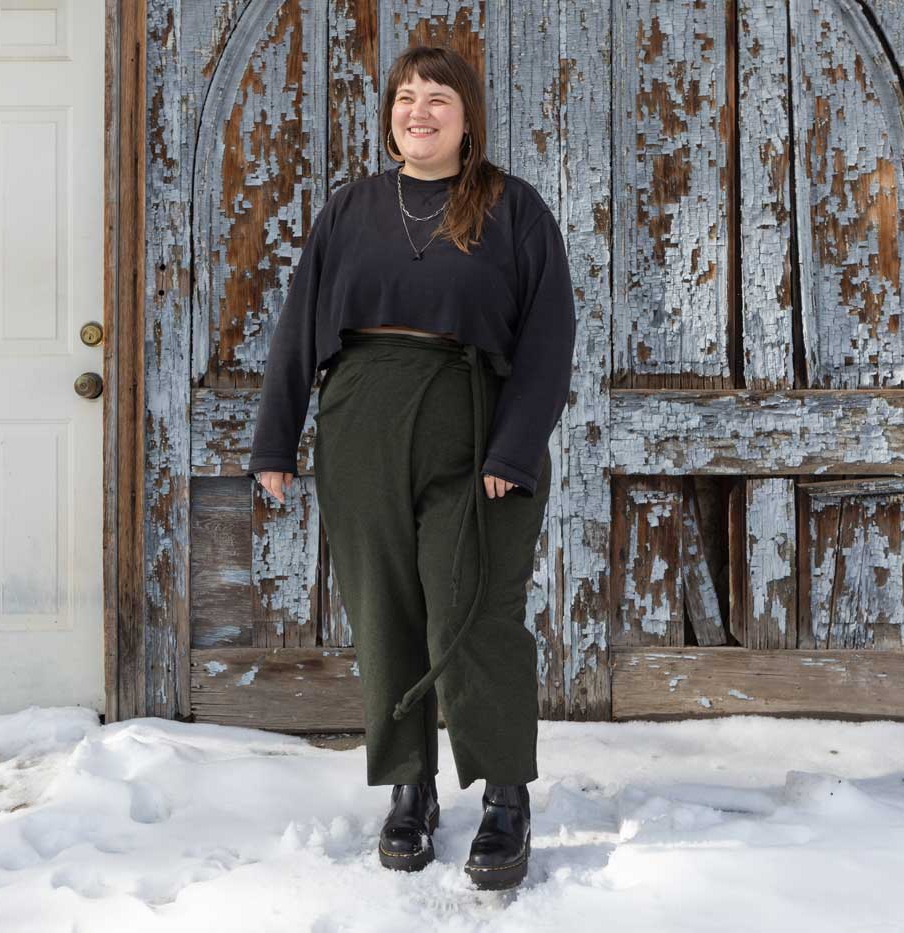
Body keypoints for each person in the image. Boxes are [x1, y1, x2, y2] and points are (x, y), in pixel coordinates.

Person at [244, 44, 576, 891]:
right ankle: (409, 787)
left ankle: (505, 793)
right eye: (405, 97)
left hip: (472, 428)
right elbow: (297, 326)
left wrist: (513, 446)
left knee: (473, 613)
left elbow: (548, 339)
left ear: (468, 117)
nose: (418, 111)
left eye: (437, 99)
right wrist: (276, 444)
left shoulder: (513, 208)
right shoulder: (351, 208)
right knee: (384, 611)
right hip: (361, 421)